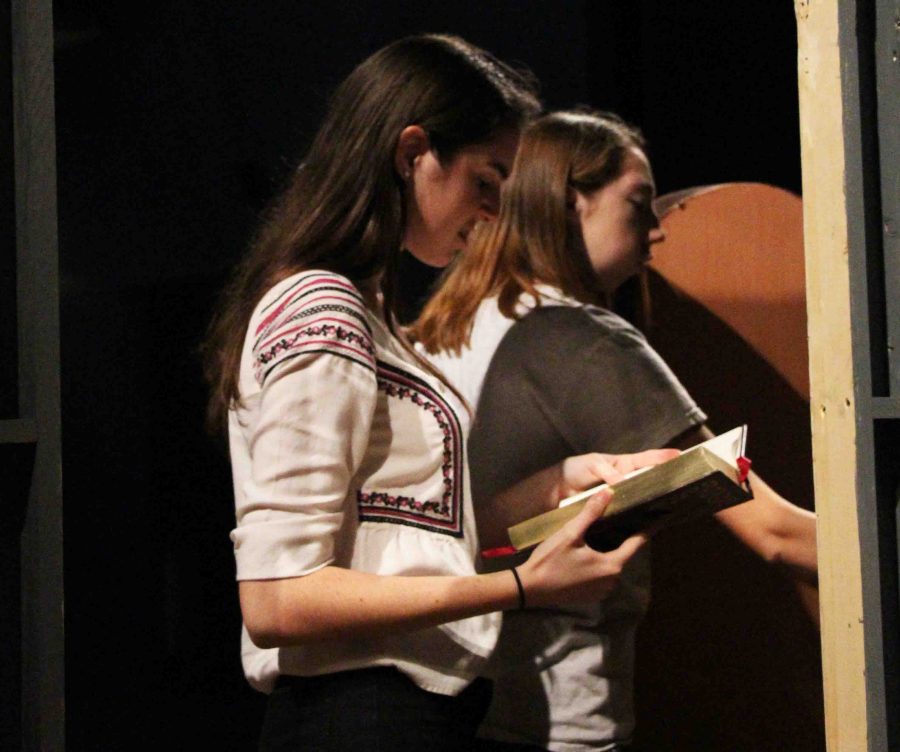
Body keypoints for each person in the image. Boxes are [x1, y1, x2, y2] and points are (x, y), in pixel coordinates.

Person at [203, 40, 675, 752]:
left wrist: (558, 483)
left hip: (393, 714)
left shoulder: (364, 312)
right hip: (357, 717)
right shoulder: (323, 310)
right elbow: (278, 598)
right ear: (412, 152)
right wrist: (519, 589)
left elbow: (403, 540)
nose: (491, 213)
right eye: (487, 181)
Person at [414, 110, 818, 751]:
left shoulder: (451, 326)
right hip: (561, 713)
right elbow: (771, 531)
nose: (658, 229)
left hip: (450, 700)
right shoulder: (583, 339)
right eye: (639, 203)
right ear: (571, 202)